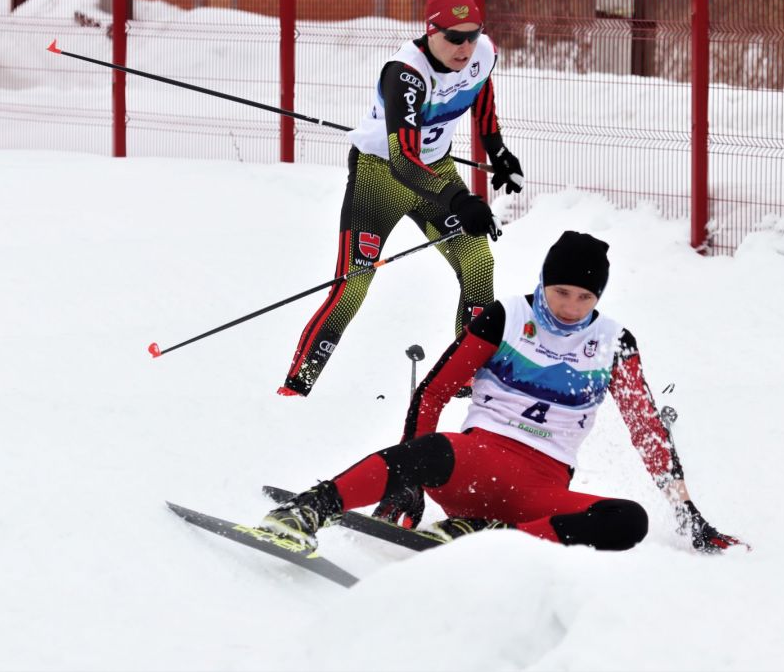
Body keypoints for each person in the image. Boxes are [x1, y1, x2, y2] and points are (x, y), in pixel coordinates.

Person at [261, 232, 748, 554]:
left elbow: (647, 431)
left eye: (585, 297)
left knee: (628, 520)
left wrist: (689, 515)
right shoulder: (508, 316)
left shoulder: (613, 342)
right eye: (561, 292)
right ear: (543, 282)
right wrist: (408, 485)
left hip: (540, 491)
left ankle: (493, 537)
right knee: (429, 449)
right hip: (472, 465)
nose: (571, 307)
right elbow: (433, 392)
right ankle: (309, 509)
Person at [278, 0, 524, 397]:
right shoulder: (406, 75)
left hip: (436, 169)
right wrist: (459, 199)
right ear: (431, 31)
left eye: (473, 35)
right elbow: (404, 160)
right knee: (354, 283)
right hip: (382, 176)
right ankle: (297, 386)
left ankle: (466, 375)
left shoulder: (482, 54)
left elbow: (480, 96)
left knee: (479, 261)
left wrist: (497, 150)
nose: (465, 47)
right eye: (454, 38)